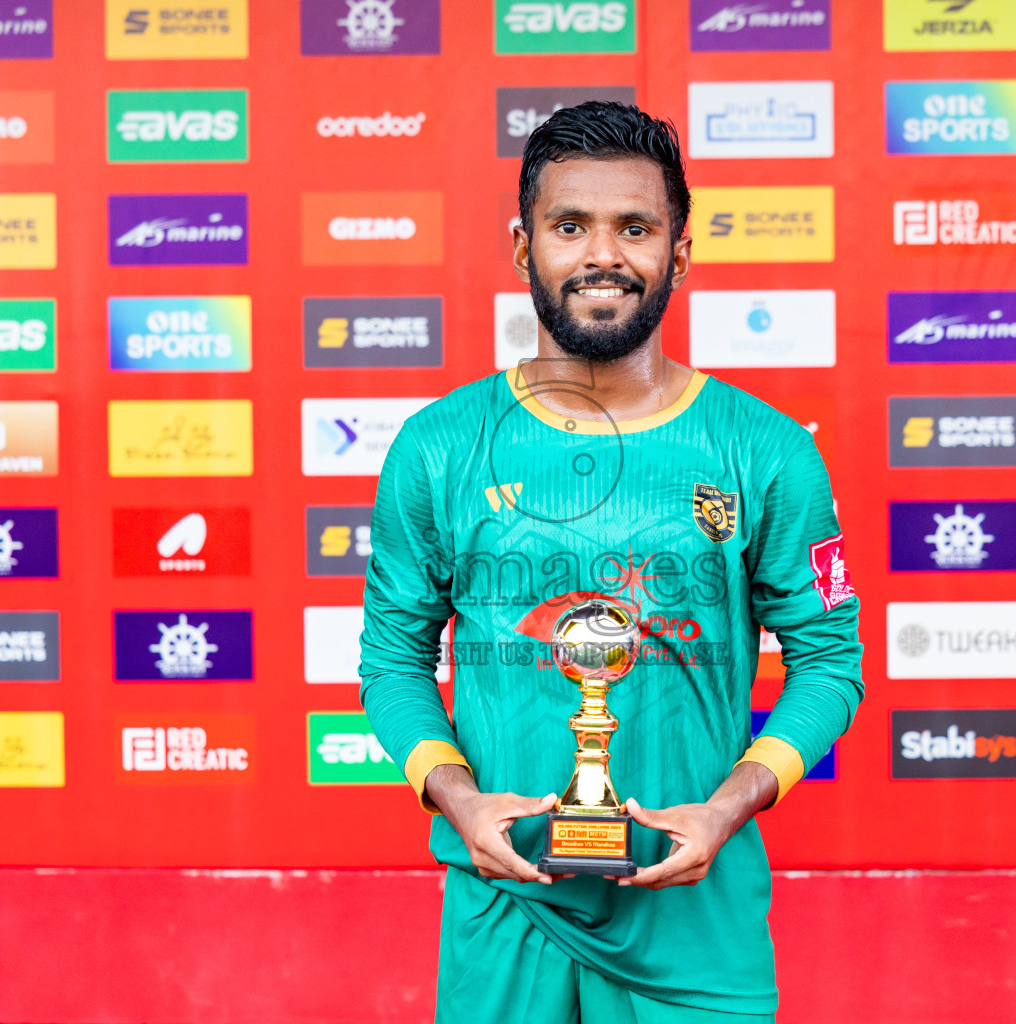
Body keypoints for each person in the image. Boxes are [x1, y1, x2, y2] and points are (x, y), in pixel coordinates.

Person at [359, 101, 863, 1024]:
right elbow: (392, 661)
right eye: (569, 227)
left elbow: (830, 662)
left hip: (694, 920)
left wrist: (727, 807)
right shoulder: (439, 447)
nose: (603, 255)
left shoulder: (769, 451)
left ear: (680, 251)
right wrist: (458, 799)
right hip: (506, 909)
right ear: (523, 248)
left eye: (635, 228)